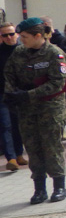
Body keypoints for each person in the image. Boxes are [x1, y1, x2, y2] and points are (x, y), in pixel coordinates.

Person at [4, 18, 66, 204]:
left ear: (37, 36)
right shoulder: (19, 53)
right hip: (26, 109)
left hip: (50, 108)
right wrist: (11, 94)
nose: (20, 39)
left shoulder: (54, 54)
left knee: (52, 146)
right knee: (32, 147)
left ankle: (59, 186)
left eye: (24, 36)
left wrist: (29, 94)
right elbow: (9, 74)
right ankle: (39, 188)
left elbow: (58, 83)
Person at [0, 22, 26, 170]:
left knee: (18, 125)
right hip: (2, 94)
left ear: (16, 34)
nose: (9, 37)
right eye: (5, 35)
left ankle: (19, 154)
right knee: (6, 125)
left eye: (11, 33)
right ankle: (11, 158)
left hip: (19, 94)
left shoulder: (23, 51)